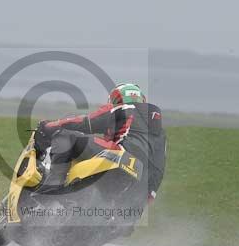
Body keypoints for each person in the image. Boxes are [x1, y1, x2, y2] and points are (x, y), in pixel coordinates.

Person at [35, 83, 166, 205]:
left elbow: (85, 122)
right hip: (140, 180)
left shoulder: (122, 108)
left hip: (120, 154)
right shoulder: (160, 133)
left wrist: (48, 126)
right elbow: (159, 165)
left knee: (65, 137)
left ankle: (51, 187)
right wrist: (151, 192)